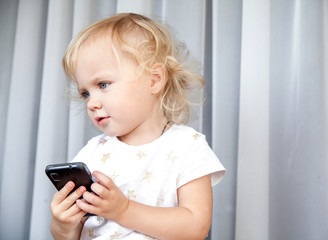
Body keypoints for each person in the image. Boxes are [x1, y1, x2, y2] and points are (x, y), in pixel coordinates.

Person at [50, 13, 225, 240]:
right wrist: (63, 226)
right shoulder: (92, 152)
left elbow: (196, 227)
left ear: (154, 80)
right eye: (85, 93)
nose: (91, 103)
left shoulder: (187, 146)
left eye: (103, 84)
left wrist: (123, 210)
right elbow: (69, 235)